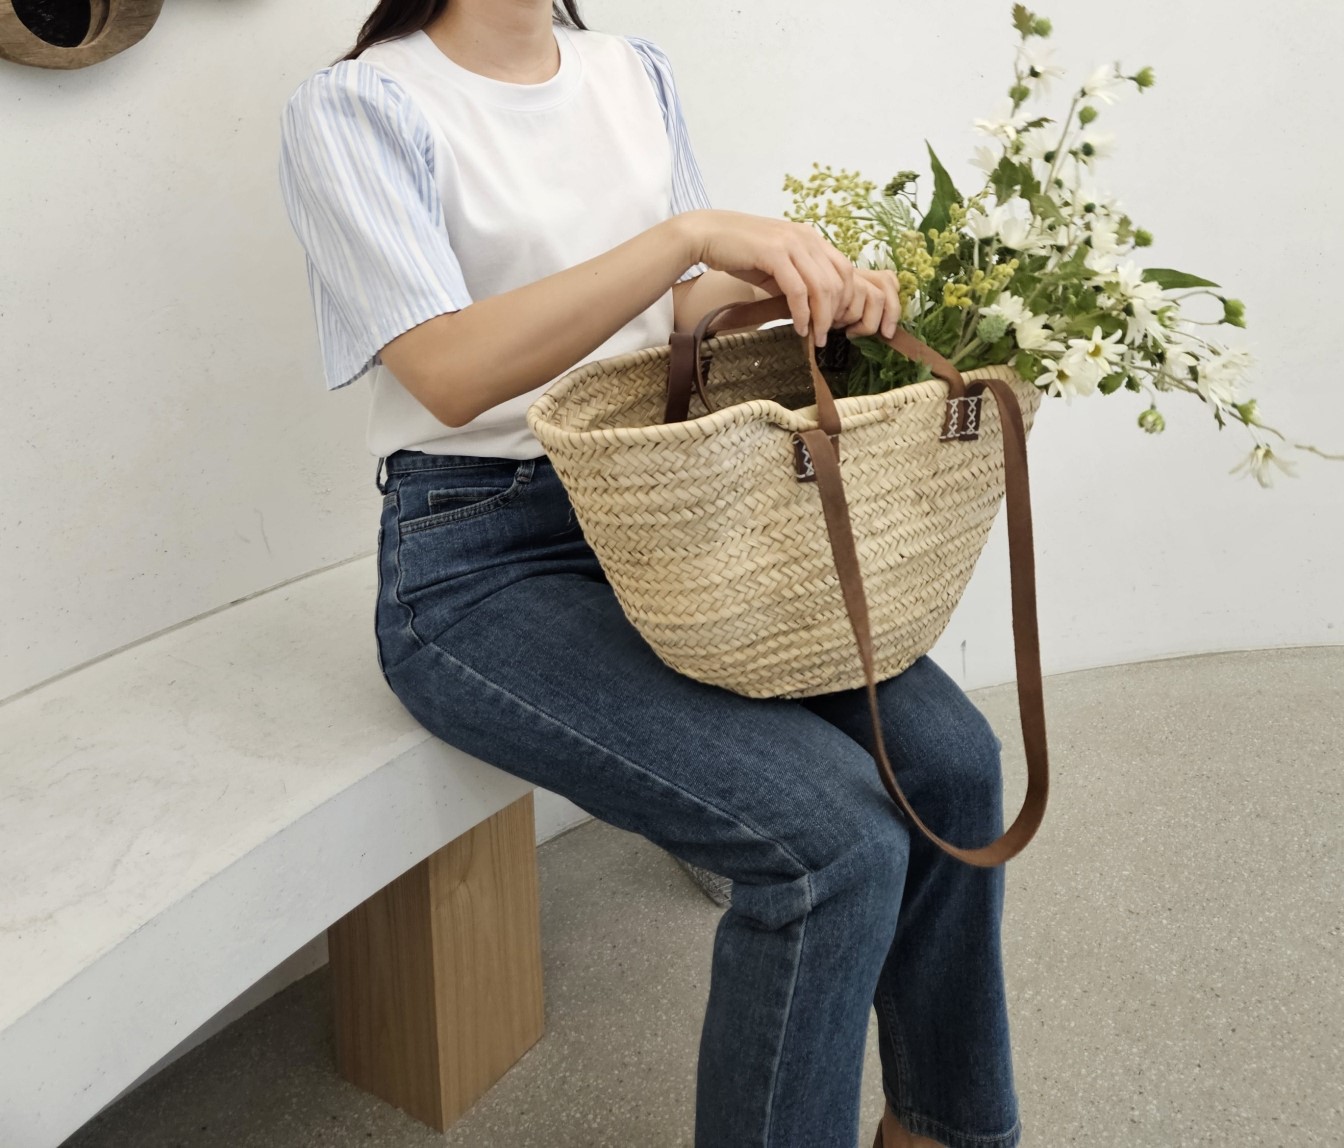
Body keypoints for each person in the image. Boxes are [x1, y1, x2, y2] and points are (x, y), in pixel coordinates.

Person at [277, 2, 1022, 1145]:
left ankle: (946, 1128)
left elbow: (675, 316)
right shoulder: (359, 107)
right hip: (477, 558)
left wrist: (810, 282)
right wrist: (687, 236)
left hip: (667, 512)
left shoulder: (629, 72)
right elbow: (448, 371)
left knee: (955, 763)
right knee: (831, 845)